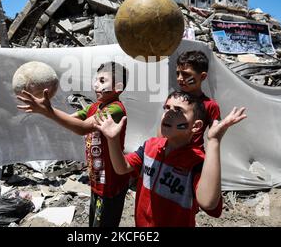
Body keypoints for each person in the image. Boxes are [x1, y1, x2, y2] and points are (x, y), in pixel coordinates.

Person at [94, 91, 247, 227]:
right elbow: (122, 167)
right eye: (167, 108)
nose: (169, 113)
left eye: (178, 110)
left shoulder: (196, 161)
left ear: (196, 126)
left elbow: (208, 203)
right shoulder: (150, 146)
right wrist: (112, 140)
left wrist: (214, 141)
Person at [17, 62, 130, 227]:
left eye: (103, 80)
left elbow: (82, 128)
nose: (96, 84)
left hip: (111, 183)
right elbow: (73, 119)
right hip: (98, 177)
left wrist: (49, 112)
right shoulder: (96, 106)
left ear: (118, 87)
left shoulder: (115, 109)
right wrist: (47, 113)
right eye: (96, 80)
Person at [175, 51, 221, 150]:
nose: (179, 78)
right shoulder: (173, 100)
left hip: (192, 160)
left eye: (186, 74)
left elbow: (215, 137)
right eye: (178, 73)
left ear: (203, 76)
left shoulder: (211, 106)